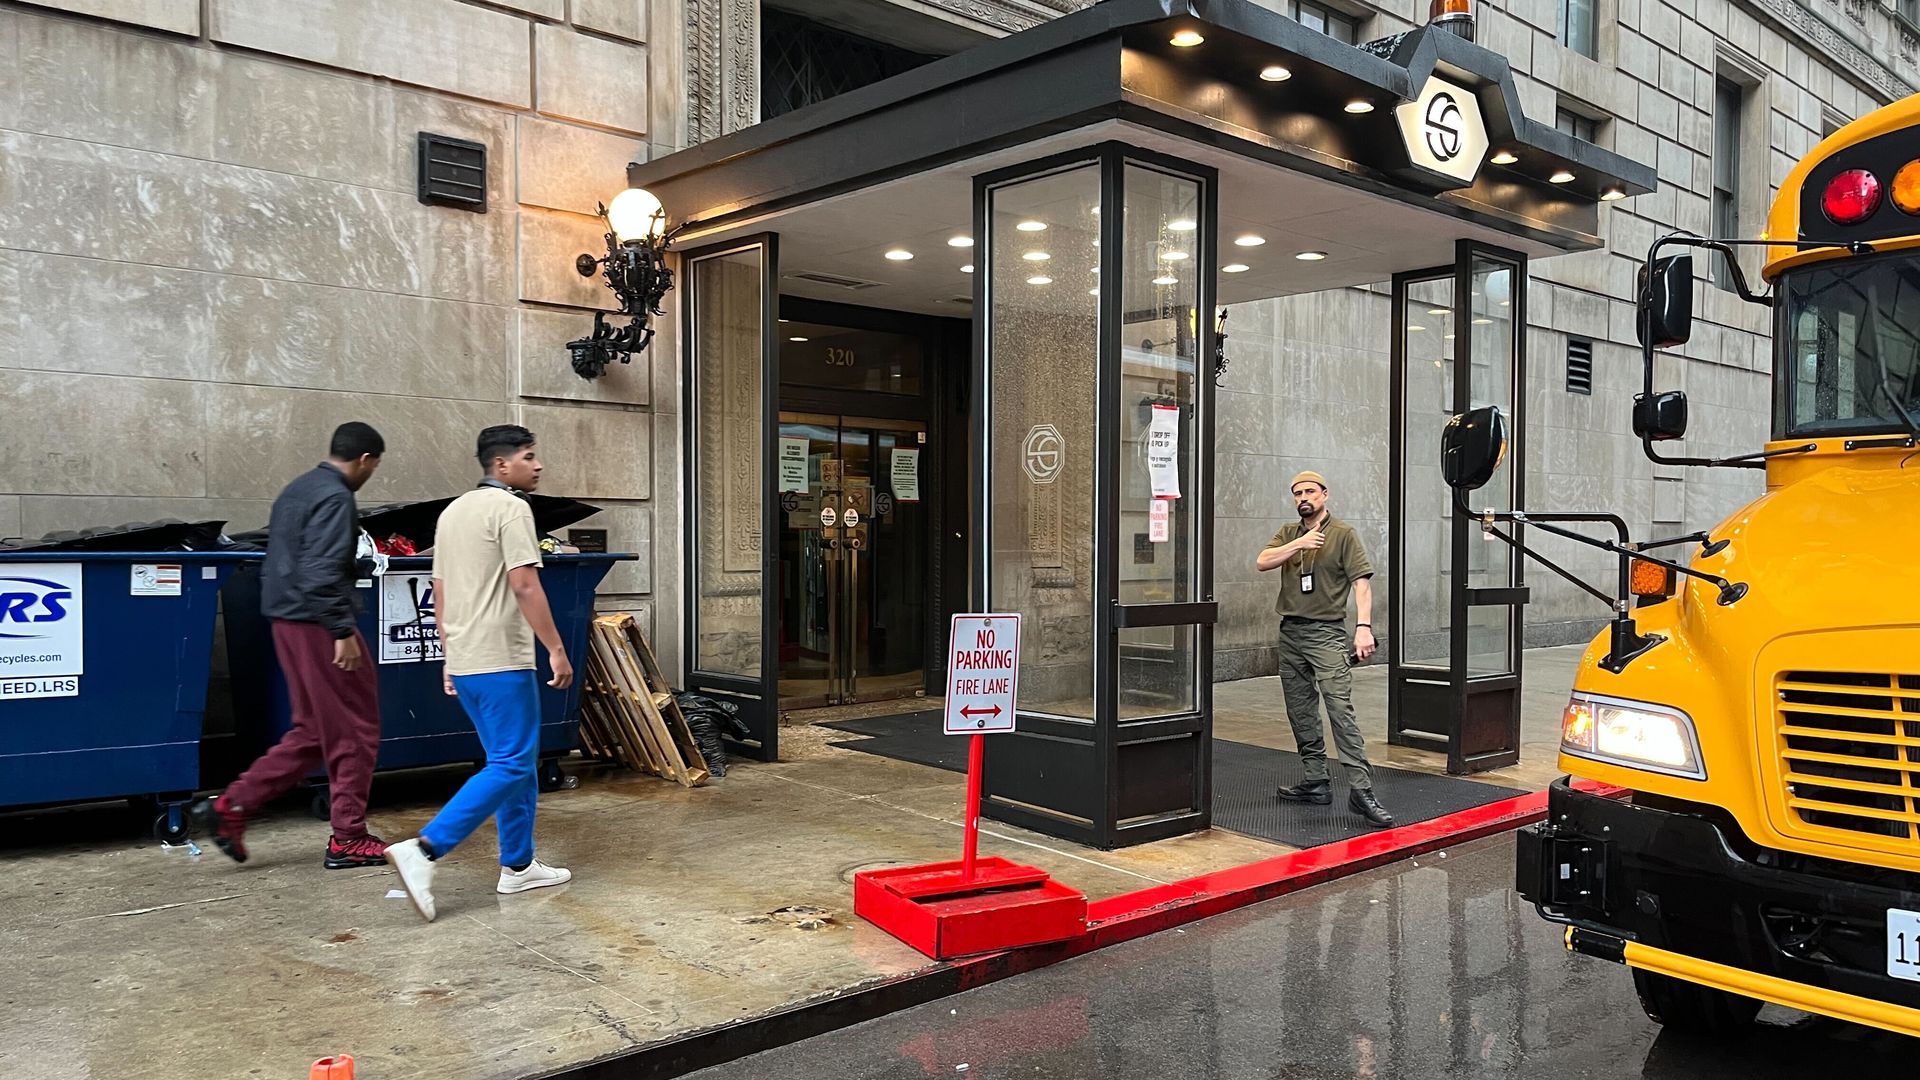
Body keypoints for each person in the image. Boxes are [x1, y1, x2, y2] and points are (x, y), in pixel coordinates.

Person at [385, 425, 575, 922]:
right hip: (501, 659)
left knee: (513, 761)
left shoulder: (451, 513)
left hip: (468, 658)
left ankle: (518, 865)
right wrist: (556, 649)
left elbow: (439, 591)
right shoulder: (512, 509)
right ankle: (424, 850)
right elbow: (526, 585)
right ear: (501, 465)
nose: (537, 466)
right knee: (512, 763)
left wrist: (450, 657)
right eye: (529, 457)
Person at [193, 422, 389, 868]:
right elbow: (319, 571)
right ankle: (349, 838)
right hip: (321, 623)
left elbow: (300, 559)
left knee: (314, 731)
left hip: (287, 620)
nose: (371, 473)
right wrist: (341, 630)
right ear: (365, 460)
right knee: (355, 728)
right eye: (374, 466)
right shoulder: (337, 496)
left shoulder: (297, 489)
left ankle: (232, 806)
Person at [1254, 471, 1392, 828]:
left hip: (1327, 634)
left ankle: (1361, 791)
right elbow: (1262, 561)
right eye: (1297, 492)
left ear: (1325, 495)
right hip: (1291, 632)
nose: (1303, 497)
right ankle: (1315, 780)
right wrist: (1298, 545)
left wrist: (1363, 628)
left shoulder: (1343, 534)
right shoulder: (1289, 533)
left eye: (1310, 491)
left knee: (1339, 709)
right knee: (1300, 709)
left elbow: (1361, 584)